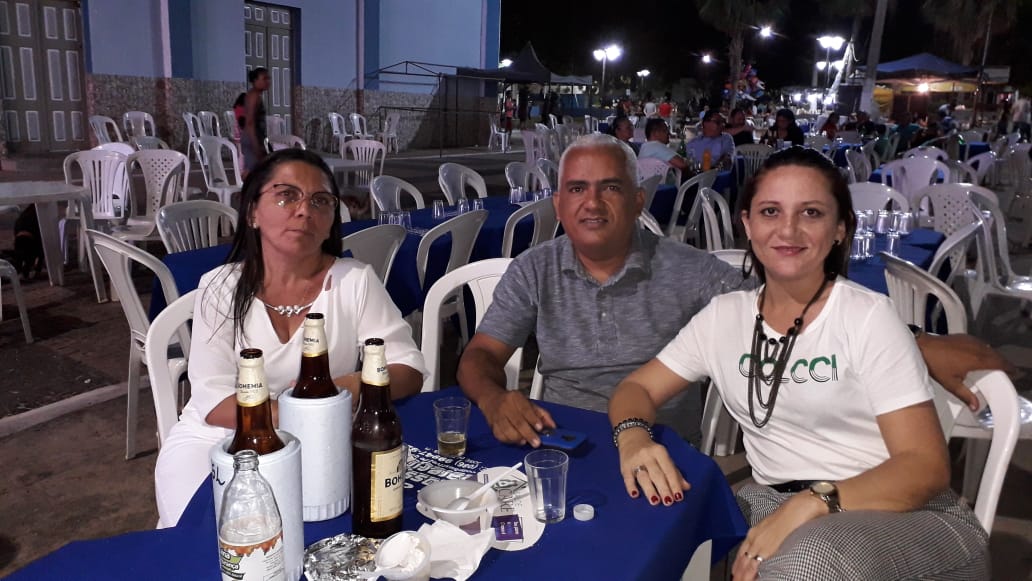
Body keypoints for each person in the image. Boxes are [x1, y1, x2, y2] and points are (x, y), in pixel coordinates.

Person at [456, 134, 1006, 450]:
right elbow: (480, 356)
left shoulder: (689, 270)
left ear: (639, 200)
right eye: (577, 189)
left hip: (661, 447)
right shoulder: (534, 269)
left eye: (610, 188)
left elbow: (791, 309)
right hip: (557, 441)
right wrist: (495, 398)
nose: (592, 203)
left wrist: (911, 341)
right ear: (558, 203)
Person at [608, 147, 989, 580]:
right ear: (748, 224)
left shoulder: (867, 316)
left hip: (903, 512)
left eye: (811, 212)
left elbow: (925, 466)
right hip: (778, 498)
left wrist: (816, 500)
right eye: (770, 211)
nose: (788, 229)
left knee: (807, 561)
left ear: (840, 228)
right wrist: (633, 437)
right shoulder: (723, 318)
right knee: (647, 516)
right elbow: (636, 389)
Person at [153, 149, 426, 527]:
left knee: (345, 524)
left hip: (324, 439)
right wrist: (312, 413)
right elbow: (215, 403)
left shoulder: (354, 280)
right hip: (220, 438)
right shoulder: (220, 287)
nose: (304, 211)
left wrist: (350, 386)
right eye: (286, 195)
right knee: (218, 533)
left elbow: (408, 368)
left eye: (320, 200)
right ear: (252, 212)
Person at [240, 67, 271, 176]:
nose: (268, 81)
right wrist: (256, 145)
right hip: (251, 138)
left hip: (254, 137)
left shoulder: (255, 95)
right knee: (253, 172)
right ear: (255, 80)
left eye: (268, 78)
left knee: (253, 171)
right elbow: (250, 122)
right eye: (264, 78)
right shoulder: (253, 96)